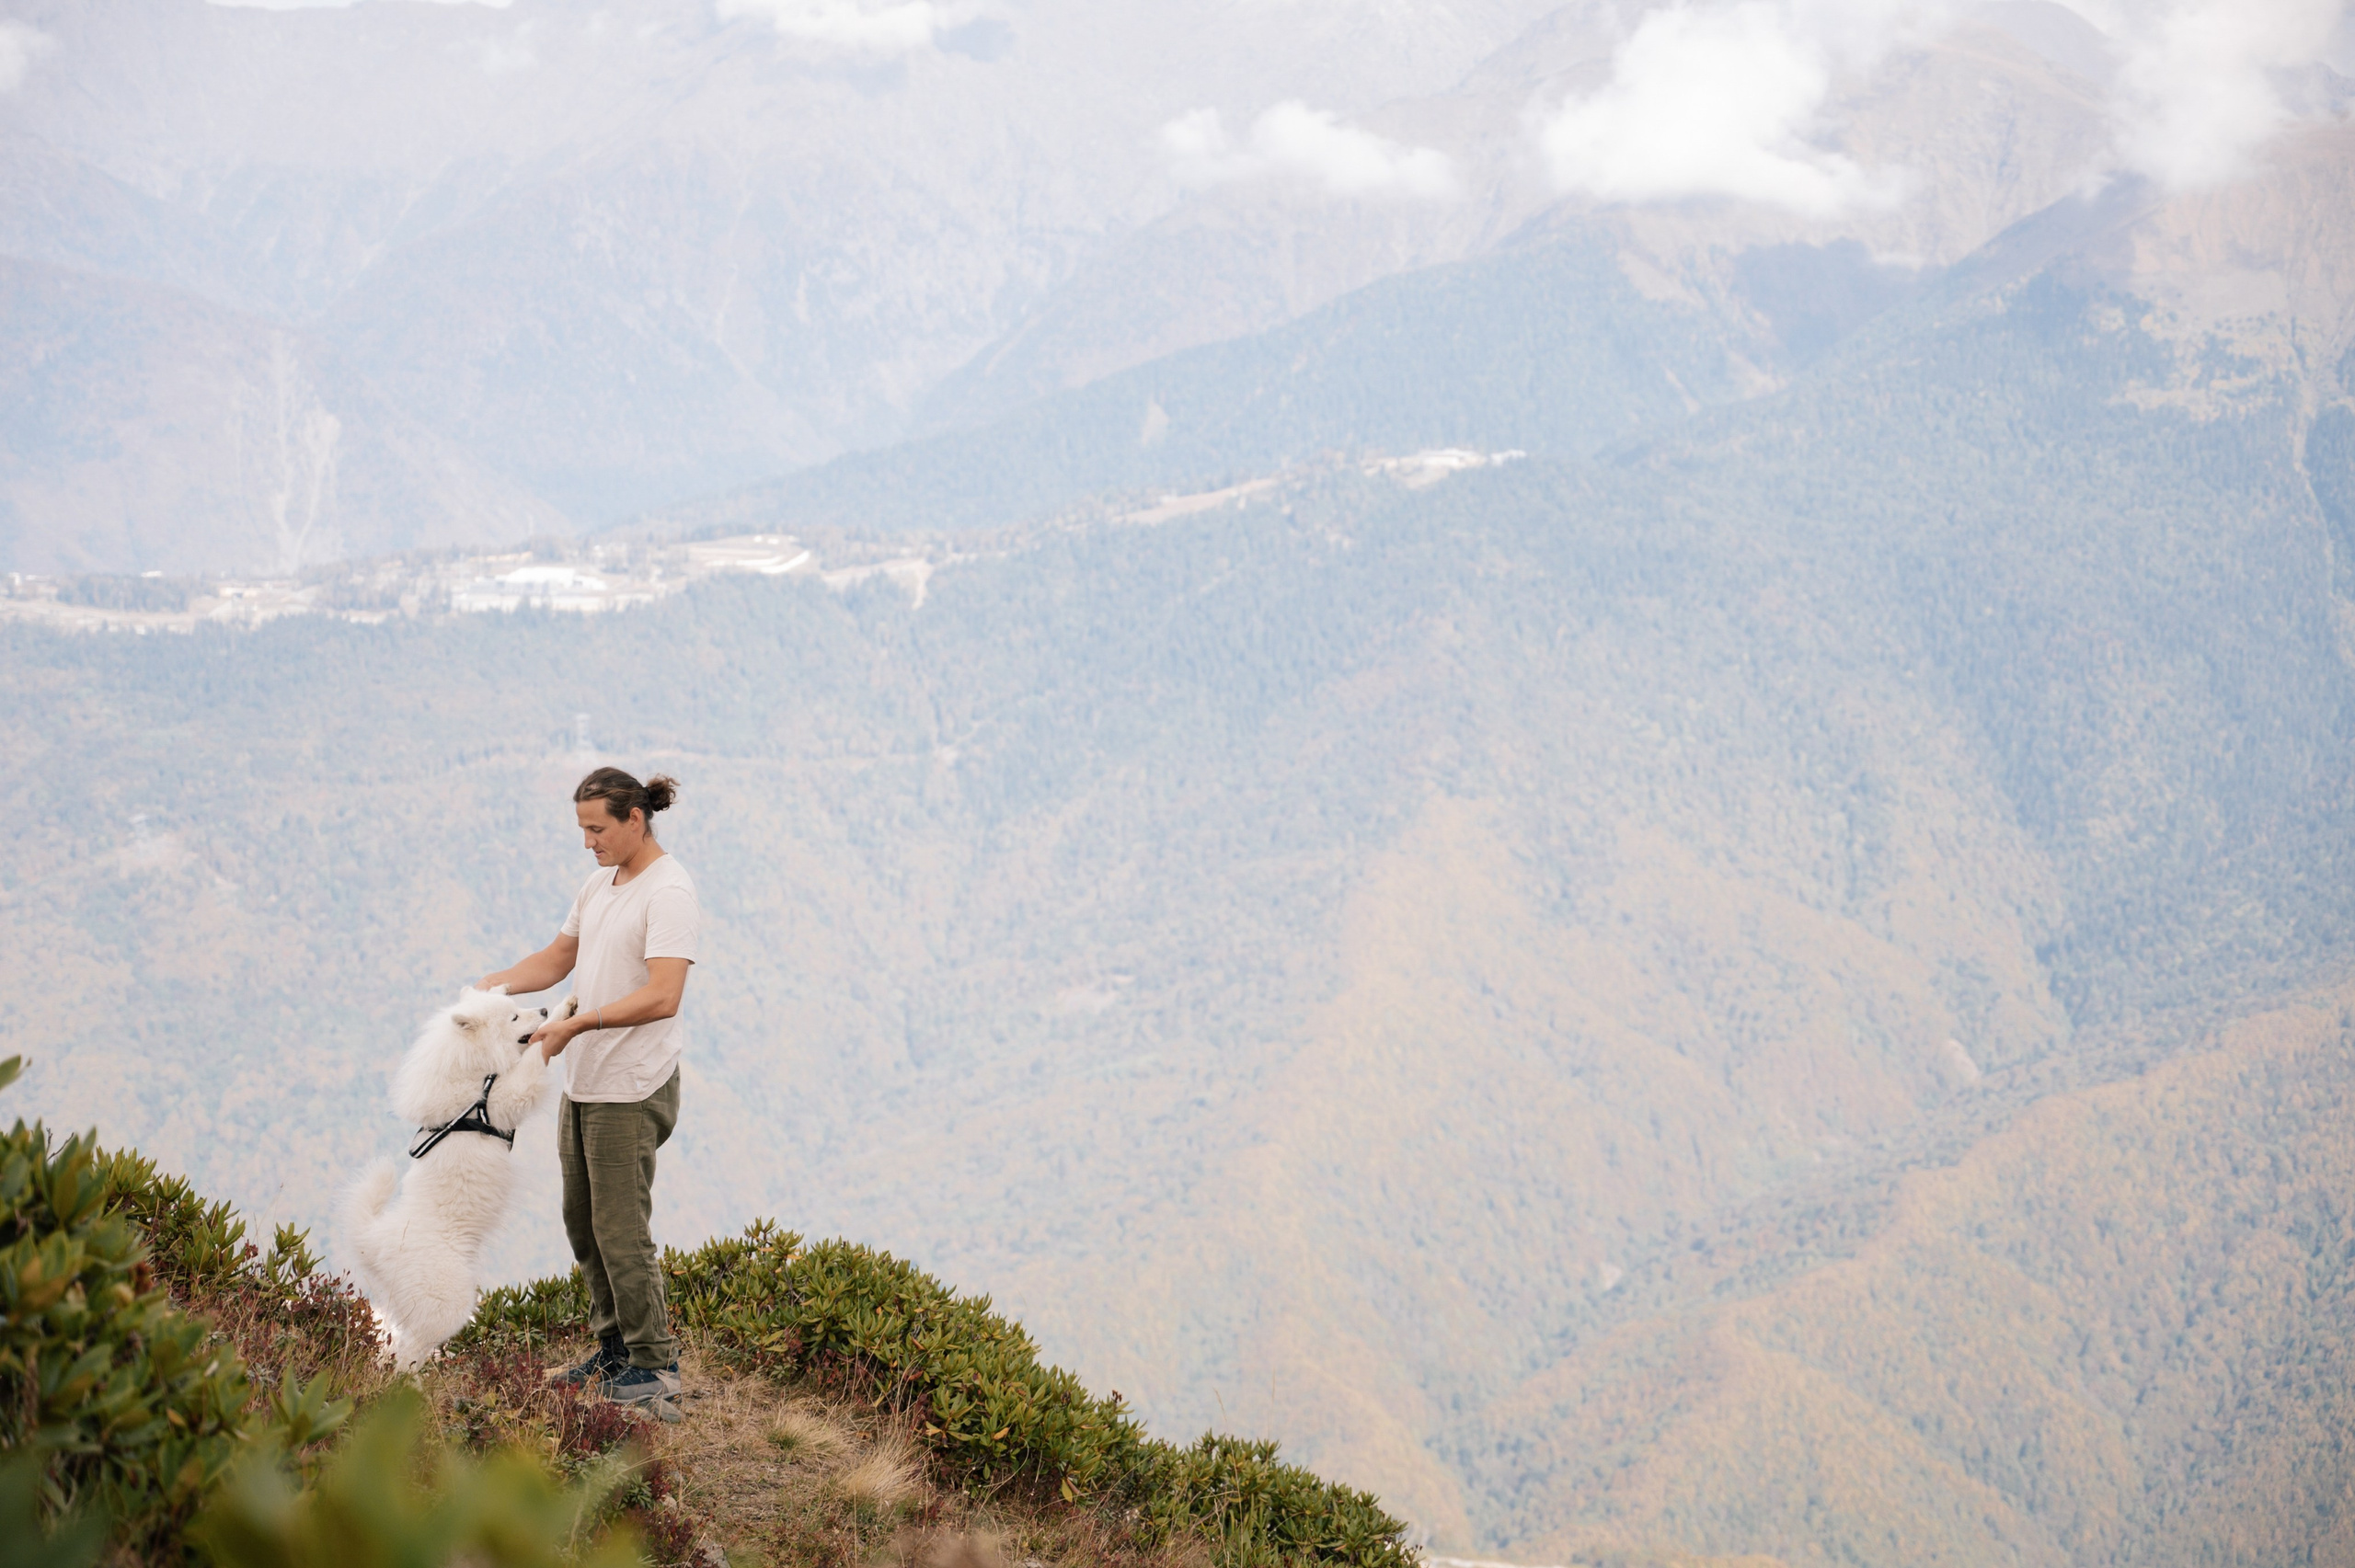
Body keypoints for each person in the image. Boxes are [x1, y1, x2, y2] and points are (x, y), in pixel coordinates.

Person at [480, 767, 700, 1406]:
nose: (588, 841)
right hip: (584, 1079)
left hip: (631, 1085)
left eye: (597, 828)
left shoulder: (671, 892)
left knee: (620, 1225)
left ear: (636, 819)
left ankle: (654, 1366)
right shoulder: (600, 885)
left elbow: (664, 994)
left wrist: (579, 1023)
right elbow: (556, 959)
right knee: (583, 1220)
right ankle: (614, 1352)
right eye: (582, 828)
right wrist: (486, 989)